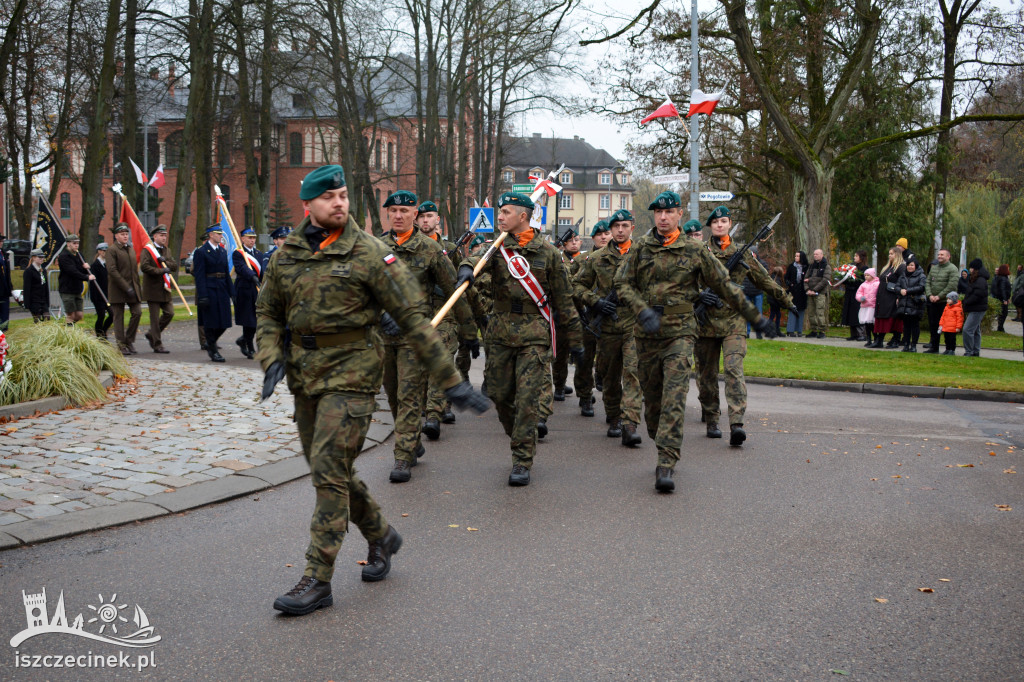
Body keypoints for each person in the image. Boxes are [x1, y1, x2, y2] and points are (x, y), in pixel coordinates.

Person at [255, 164, 487, 616]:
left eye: (343, 194)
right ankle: (380, 533)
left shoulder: (370, 253)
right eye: (329, 197)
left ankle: (316, 578)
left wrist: (452, 382)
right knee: (333, 470)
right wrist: (271, 358)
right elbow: (267, 311)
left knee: (327, 471)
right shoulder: (288, 254)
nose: (339, 203)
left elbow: (415, 320)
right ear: (309, 205)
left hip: (354, 375)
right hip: (307, 377)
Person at [614, 192, 774, 492]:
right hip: (646, 335)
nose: (662, 218)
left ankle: (666, 462)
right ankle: (658, 436)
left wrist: (754, 316)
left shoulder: (695, 250)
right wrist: (640, 308)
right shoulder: (640, 248)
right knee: (653, 403)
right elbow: (622, 283)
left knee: (674, 397)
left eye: (669, 212)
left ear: (679, 214)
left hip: (681, 332)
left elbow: (724, 285)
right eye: (658, 213)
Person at [457, 191, 582, 487]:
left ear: (523, 216)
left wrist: (575, 339)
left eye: (506, 212)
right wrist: (464, 269)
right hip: (499, 332)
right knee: (499, 395)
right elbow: (474, 261)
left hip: (534, 336)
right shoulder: (496, 247)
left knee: (527, 400)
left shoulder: (548, 252)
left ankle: (522, 459)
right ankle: (520, 435)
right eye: (499, 212)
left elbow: (564, 299)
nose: (499, 217)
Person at [380, 191, 476, 483]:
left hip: (415, 336)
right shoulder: (373, 247)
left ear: (414, 215)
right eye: (393, 210)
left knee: (409, 397)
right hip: (383, 337)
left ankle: (402, 456)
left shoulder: (431, 250)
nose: (398, 215)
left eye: (404, 211)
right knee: (394, 396)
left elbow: (453, 292)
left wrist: (470, 330)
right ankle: (411, 442)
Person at [695, 205, 793, 445]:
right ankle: (712, 419)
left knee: (733, 370)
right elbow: (683, 281)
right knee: (706, 375)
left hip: (733, 321)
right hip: (705, 321)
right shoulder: (698, 252)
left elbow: (763, 280)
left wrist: (786, 300)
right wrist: (699, 295)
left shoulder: (743, 253)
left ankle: (736, 423)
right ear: (710, 226)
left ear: (730, 224)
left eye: (724, 221)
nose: (720, 224)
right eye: (715, 222)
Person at [572, 209, 642, 446]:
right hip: (608, 326)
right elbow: (577, 286)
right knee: (610, 377)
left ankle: (629, 422)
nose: (620, 230)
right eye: (616, 226)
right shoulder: (597, 258)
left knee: (632, 373)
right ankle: (613, 416)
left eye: (624, 225)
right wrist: (596, 302)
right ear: (610, 230)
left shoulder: (643, 255)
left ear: (632, 227)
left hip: (634, 325)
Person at [417, 200, 463, 433]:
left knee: (442, 357)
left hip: (444, 314)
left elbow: (459, 285)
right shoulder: (412, 247)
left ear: (438, 220)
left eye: (430, 216)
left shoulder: (451, 249)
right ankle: (433, 405)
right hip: (419, 313)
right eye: (422, 216)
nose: (426, 220)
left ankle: (435, 412)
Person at [572, 219, 611, 416]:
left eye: (606, 233)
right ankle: (585, 396)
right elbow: (573, 287)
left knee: (606, 359)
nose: (603, 237)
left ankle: (603, 383)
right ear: (593, 238)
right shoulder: (583, 260)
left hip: (610, 319)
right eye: (599, 234)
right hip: (587, 316)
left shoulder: (619, 258)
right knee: (585, 360)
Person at [193, 224, 234, 362]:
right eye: (218, 234)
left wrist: (232, 292)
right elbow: (199, 275)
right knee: (211, 322)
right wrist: (202, 295)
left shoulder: (222, 252)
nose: (221, 236)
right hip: (209, 289)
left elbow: (227, 274)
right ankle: (213, 350)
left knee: (224, 322)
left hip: (221, 288)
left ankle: (210, 344)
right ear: (211, 235)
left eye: (221, 234)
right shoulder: (201, 252)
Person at [552, 233, 583, 402]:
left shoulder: (587, 259)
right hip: (561, 312)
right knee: (560, 354)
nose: (574, 243)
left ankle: (584, 390)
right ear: (563, 244)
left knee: (581, 354)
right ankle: (559, 385)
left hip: (580, 311)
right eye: (570, 240)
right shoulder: (557, 258)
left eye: (576, 240)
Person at [140, 225, 177, 354]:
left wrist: (165, 261)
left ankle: (152, 334)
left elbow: (174, 265)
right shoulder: (148, 250)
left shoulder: (167, 250)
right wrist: (161, 271)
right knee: (154, 319)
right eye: (161, 235)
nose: (164, 238)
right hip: (153, 289)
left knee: (170, 313)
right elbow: (144, 267)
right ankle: (157, 344)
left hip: (165, 289)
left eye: (165, 235)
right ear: (154, 236)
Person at [107, 223, 143, 354]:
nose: (125, 236)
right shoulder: (112, 250)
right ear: (116, 236)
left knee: (137, 312)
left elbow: (134, 271)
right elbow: (112, 270)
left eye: (126, 234)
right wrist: (125, 286)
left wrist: (136, 287)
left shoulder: (130, 249)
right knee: (118, 317)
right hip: (118, 289)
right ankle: (121, 345)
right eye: (122, 234)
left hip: (132, 288)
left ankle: (129, 340)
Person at [232, 227, 263, 360]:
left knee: (256, 320)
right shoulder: (238, 253)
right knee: (248, 320)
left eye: (253, 238)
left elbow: (262, 270)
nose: (252, 240)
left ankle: (243, 340)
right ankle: (249, 346)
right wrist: (252, 276)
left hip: (256, 290)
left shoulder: (258, 253)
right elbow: (241, 268)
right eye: (249, 238)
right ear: (243, 239)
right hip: (244, 289)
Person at [922, 248, 959, 354]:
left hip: (946, 303)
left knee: (948, 326)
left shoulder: (953, 269)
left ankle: (950, 348)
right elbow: (928, 282)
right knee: (934, 325)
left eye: (942, 254)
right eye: (938, 254)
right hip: (933, 302)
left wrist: (939, 296)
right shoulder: (934, 268)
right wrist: (929, 295)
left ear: (948, 256)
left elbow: (951, 285)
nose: (939, 256)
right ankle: (934, 347)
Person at [56, 234, 96, 325]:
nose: (76, 245)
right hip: (67, 289)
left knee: (79, 315)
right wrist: (86, 277)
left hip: (77, 289)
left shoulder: (79, 254)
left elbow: (80, 269)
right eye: (74, 243)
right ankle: (68, 333)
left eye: (77, 243)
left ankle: (67, 327)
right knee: (70, 315)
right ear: (68, 244)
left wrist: (86, 268)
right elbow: (72, 271)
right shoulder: (63, 256)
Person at [871, 247, 904, 349]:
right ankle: (879, 340)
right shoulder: (888, 267)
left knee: (893, 318)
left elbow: (902, 282)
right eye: (889, 254)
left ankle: (896, 340)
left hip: (892, 296)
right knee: (881, 317)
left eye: (892, 254)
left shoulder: (901, 267)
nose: (890, 256)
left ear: (897, 255)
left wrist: (899, 296)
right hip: (883, 296)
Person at [896, 255, 926, 352]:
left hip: (915, 303)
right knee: (906, 326)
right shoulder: (903, 275)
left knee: (914, 326)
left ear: (916, 266)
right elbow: (897, 286)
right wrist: (900, 291)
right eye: (908, 265)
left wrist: (908, 291)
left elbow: (921, 287)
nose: (910, 267)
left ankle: (914, 345)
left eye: (912, 265)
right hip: (904, 304)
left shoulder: (921, 275)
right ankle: (906, 344)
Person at [961, 258, 989, 357]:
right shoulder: (978, 278)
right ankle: (975, 350)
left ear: (975, 269)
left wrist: (967, 302)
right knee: (975, 330)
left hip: (977, 308)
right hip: (976, 307)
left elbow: (978, 294)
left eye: (971, 267)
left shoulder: (980, 280)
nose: (970, 269)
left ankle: (969, 350)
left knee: (967, 329)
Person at [839, 250, 868, 340]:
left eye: (856, 256)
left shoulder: (864, 268)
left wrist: (854, 282)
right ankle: (853, 334)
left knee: (857, 312)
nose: (854, 257)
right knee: (850, 312)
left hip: (858, 293)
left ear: (861, 257)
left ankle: (861, 334)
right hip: (850, 292)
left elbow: (863, 281)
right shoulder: (852, 267)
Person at [804, 248, 831, 339]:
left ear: (822, 255)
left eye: (817, 254)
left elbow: (825, 280)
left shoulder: (826, 266)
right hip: (810, 293)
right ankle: (814, 330)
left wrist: (815, 290)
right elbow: (806, 278)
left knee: (820, 312)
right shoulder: (811, 266)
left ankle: (822, 331)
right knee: (811, 313)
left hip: (820, 293)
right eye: (814, 254)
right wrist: (807, 289)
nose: (815, 255)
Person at [89, 243, 113, 339]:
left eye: (107, 251)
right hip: (98, 296)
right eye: (103, 251)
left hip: (108, 294)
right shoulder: (95, 265)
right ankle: (99, 335)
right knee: (101, 315)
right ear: (99, 251)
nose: (105, 253)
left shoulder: (108, 264)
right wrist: (96, 297)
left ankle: (104, 330)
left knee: (112, 314)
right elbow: (94, 284)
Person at [23, 249, 50, 322]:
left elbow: (45, 286)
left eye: (43, 257)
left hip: (43, 299)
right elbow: (27, 288)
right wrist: (27, 304)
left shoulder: (43, 270)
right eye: (39, 257)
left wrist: (47, 301)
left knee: (47, 318)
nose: (42, 259)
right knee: (37, 320)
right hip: (34, 300)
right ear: (33, 258)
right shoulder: (29, 271)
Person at [785, 251, 808, 336]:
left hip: (802, 292)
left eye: (798, 256)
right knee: (792, 309)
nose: (796, 257)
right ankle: (790, 330)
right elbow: (786, 277)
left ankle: (799, 330)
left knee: (801, 311)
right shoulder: (792, 266)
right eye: (795, 256)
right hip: (793, 291)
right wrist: (790, 284)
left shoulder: (806, 267)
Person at [855, 267, 878, 345]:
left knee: (872, 323)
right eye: (865, 275)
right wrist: (861, 298)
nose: (866, 277)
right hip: (865, 306)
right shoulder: (863, 285)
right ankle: (869, 339)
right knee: (867, 324)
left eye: (868, 275)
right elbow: (858, 293)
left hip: (873, 307)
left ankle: (876, 338)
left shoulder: (877, 284)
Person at [938, 291, 963, 355]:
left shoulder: (958, 309)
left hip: (953, 328)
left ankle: (952, 350)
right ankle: (947, 349)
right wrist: (941, 324)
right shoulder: (946, 307)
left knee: (952, 339)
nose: (948, 300)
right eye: (947, 299)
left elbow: (960, 319)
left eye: (949, 299)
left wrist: (958, 327)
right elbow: (943, 317)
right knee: (946, 339)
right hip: (946, 327)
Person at [766, 266, 786, 337]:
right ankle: (776, 330)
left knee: (773, 315)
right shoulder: (778, 281)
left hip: (772, 300)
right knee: (777, 315)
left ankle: (770, 330)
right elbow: (778, 294)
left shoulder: (771, 279)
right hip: (775, 301)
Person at [991, 265, 1011, 333]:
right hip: (1002, 299)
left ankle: (1000, 326)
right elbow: (1003, 289)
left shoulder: (1002, 278)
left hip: (1003, 298)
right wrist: (1005, 299)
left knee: (1003, 313)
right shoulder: (1003, 278)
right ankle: (1000, 327)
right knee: (1004, 313)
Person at [0, 234, 12, 331]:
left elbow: (7, 271)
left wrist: (9, 285)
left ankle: (4, 327)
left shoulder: (3, 253)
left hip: (4, 287)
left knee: (5, 309)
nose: (1, 243)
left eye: (2, 241)